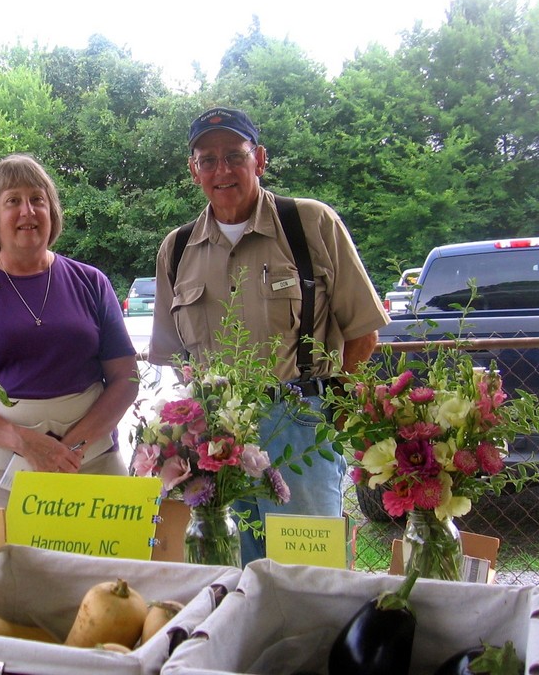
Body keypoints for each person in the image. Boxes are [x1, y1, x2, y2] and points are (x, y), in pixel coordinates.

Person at [149, 107, 390, 563]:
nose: (222, 170)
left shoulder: (310, 224)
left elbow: (364, 333)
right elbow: (174, 355)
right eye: (207, 159)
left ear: (259, 159)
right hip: (217, 438)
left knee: (308, 576)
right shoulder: (176, 249)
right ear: (193, 169)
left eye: (234, 156)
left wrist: (331, 409)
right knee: (225, 570)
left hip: (300, 425)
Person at [0, 153, 139, 507]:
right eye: (13, 201)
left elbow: (126, 378)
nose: (27, 211)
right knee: (7, 564)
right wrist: (25, 442)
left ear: (52, 213)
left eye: (37, 200)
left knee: (109, 565)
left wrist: (71, 450)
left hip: (93, 466)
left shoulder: (91, 283)